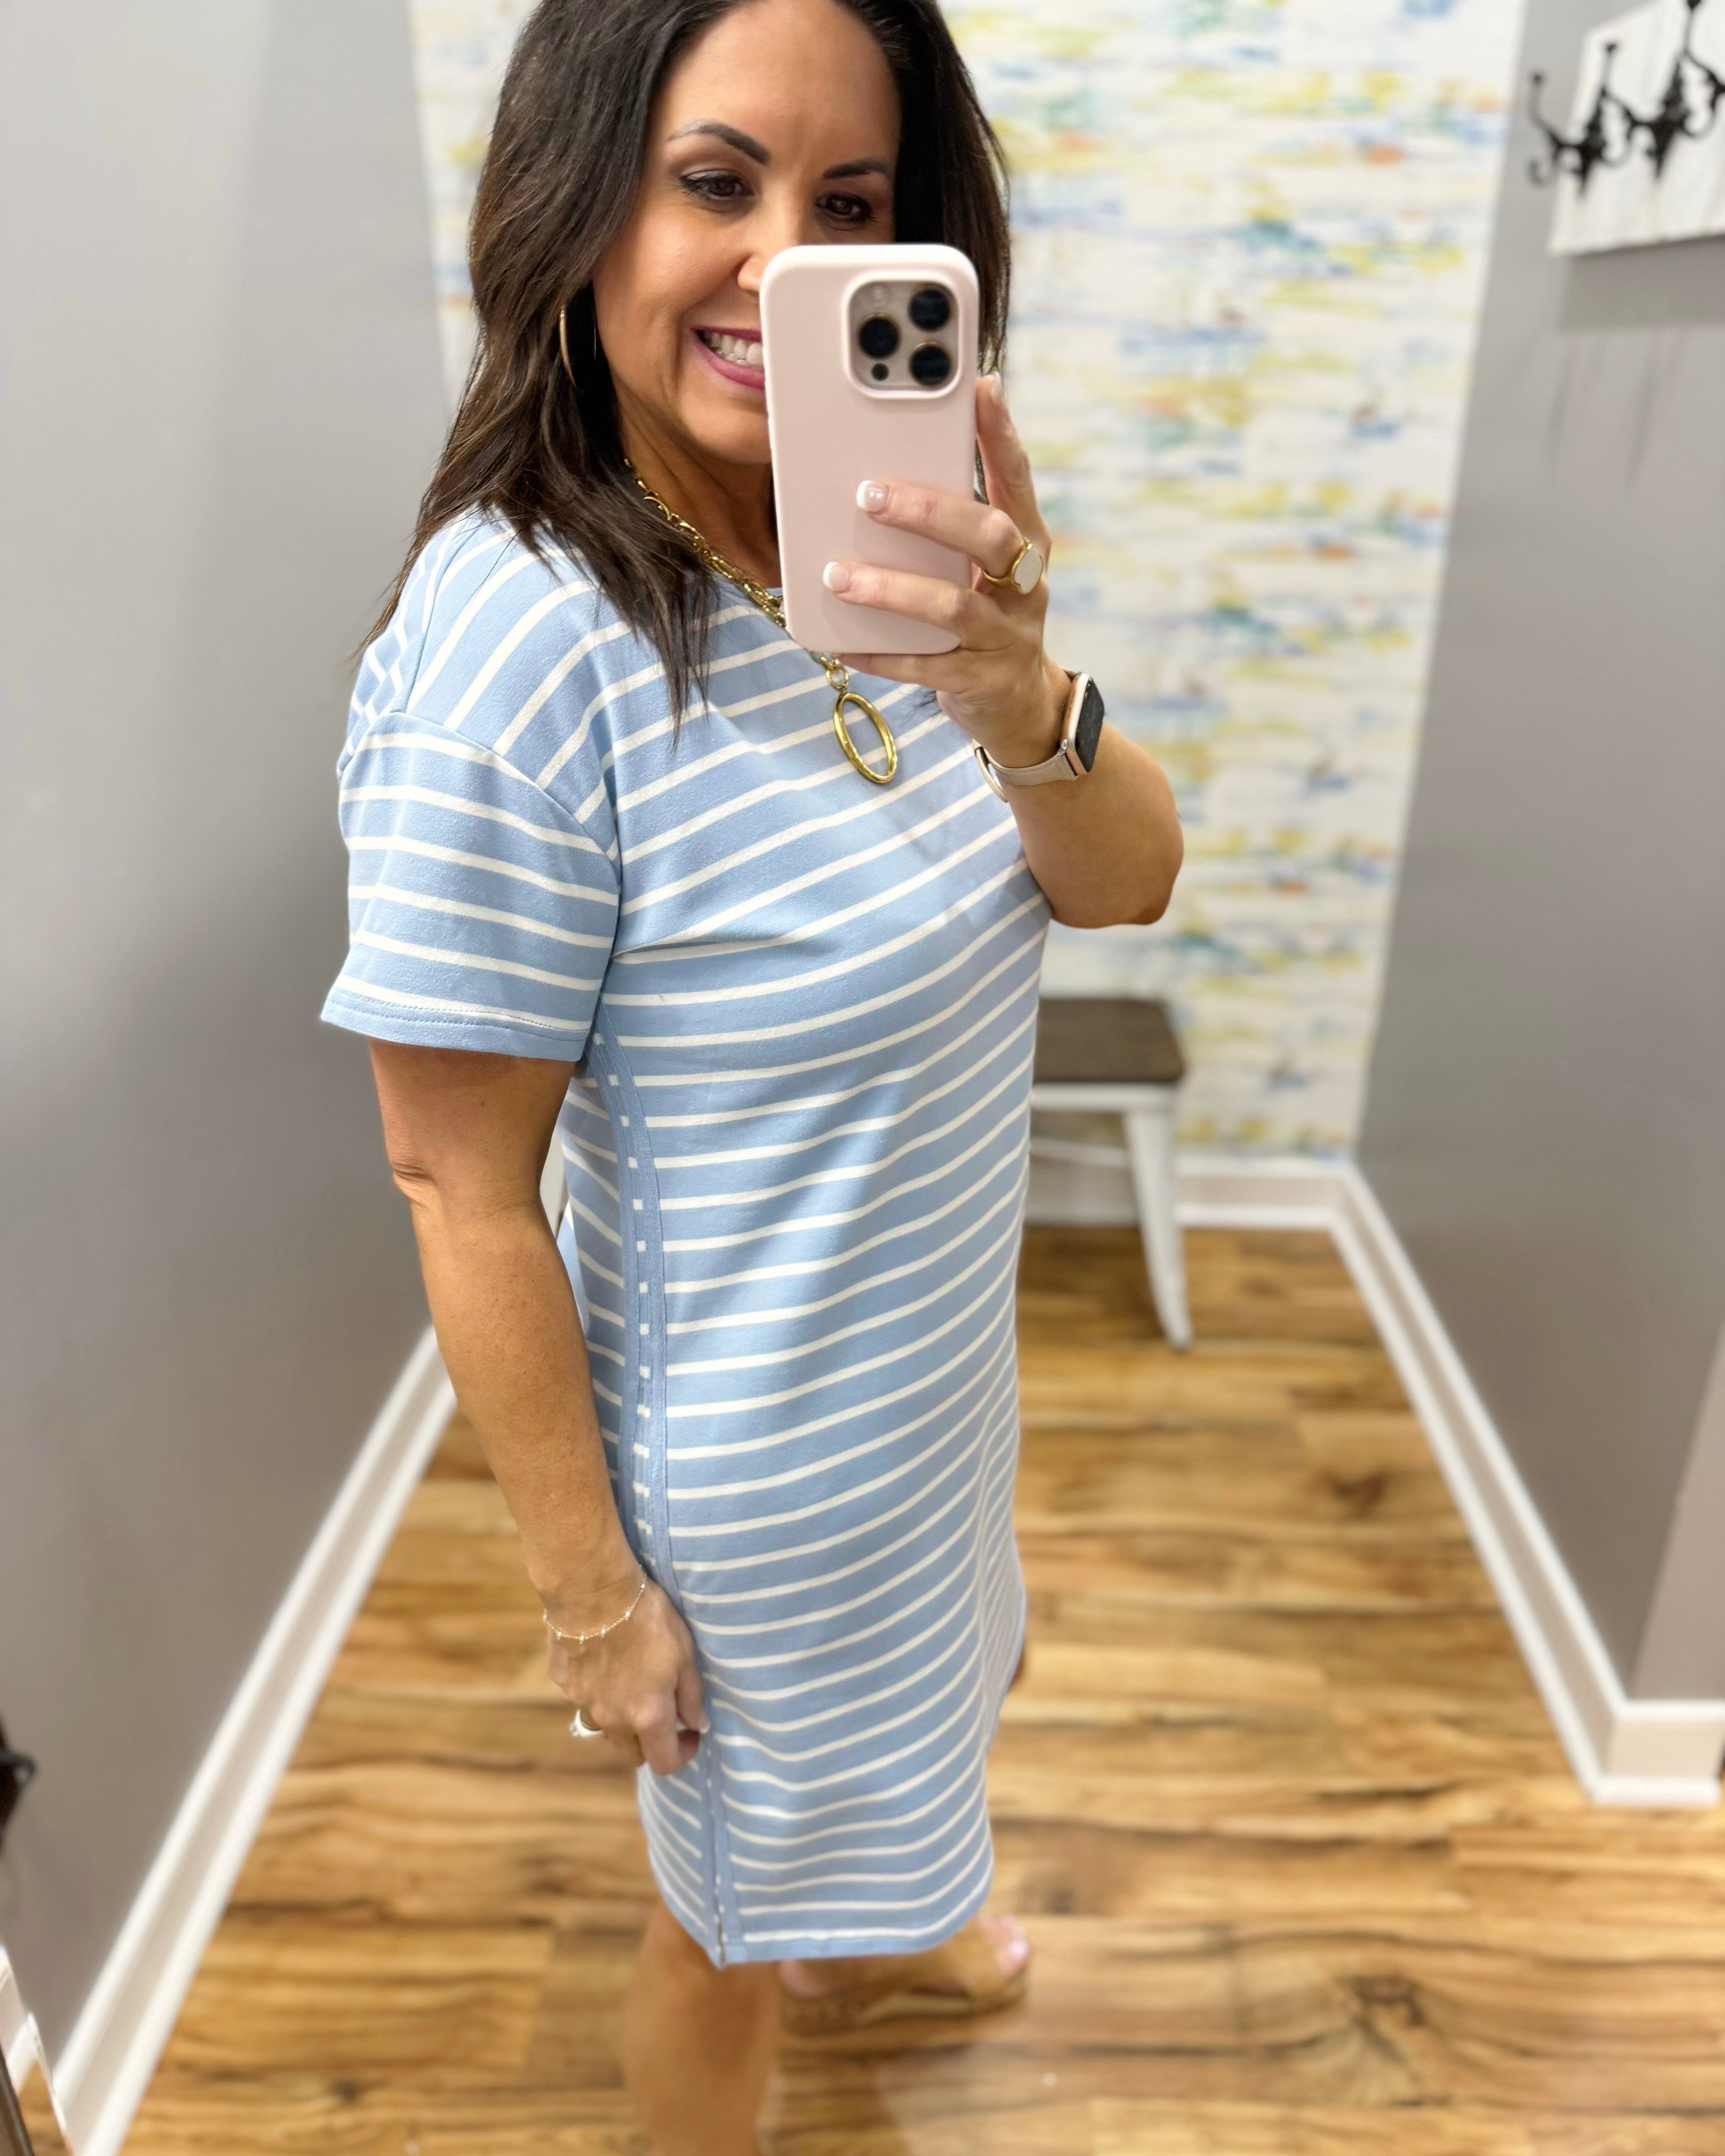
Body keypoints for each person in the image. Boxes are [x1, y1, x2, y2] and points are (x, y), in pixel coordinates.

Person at [322, 0, 1182, 2147]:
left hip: (923, 1407)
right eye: (717, 181)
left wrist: (1015, 677)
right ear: (580, 197)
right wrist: (595, 1605)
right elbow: (461, 1189)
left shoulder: (887, 531)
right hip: (756, 1508)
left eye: (855, 206)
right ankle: (828, 1917)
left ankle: (908, 1893)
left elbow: (1125, 882)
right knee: (719, 1924)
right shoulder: (516, 652)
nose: (783, 258)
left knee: (934, 1727)